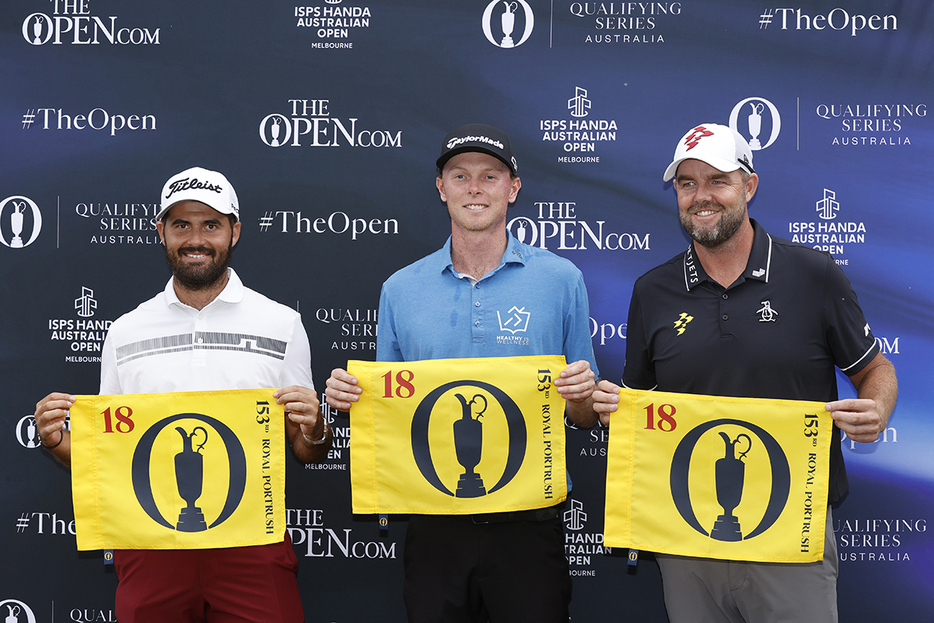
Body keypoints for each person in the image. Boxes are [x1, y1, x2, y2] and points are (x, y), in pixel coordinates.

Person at [593, 123, 898, 623]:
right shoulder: (653, 290)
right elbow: (638, 404)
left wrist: (878, 407)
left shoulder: (814, 275)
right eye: (687, 184)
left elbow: (874, 368)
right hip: (684, 535)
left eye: (718, 180)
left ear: (749, 186)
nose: (701, 196)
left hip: (791, 535)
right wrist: (612, 409)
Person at [325, 123, 599, 623]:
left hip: (528, 522)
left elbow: (582, 415)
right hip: (433, 523)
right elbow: (390, 412)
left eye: (490, 176)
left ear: (512, 188)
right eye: (460, 175)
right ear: (441, 188)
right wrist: (350, 398)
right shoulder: (400, 289)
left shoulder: (561, 280)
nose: (475, 188)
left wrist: (583, 395)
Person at [33, 166, 332, 623]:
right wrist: (57, 441)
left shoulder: (281, 323)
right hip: (150, 546)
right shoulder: (126, 330)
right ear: (161, 232)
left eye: (211, 224)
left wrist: (314, 426)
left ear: (234, 231)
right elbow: (109, 453)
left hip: (252, 542)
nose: (196, 238)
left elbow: (306, 450)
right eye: (181, 225)